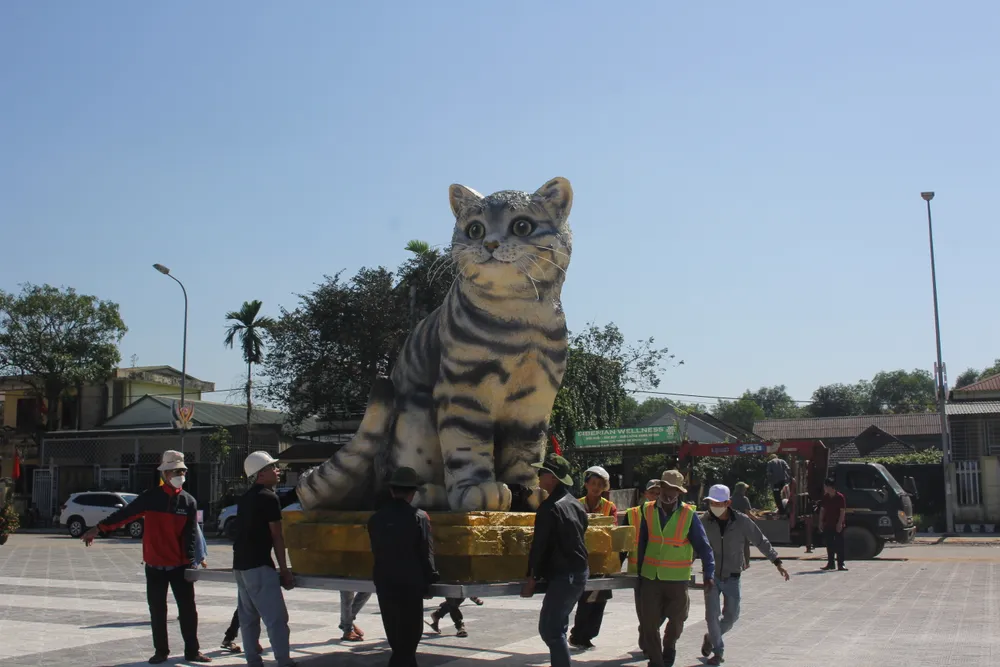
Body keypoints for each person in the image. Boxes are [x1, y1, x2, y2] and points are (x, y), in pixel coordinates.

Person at [81, 450, 212, 664]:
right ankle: (161, 651)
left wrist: (191, 563)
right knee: (157, 611)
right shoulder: (150, 498)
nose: (180, 474)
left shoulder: (189, 501)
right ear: (165, 474)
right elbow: (124, 515)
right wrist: (98, 528)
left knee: (188, 611)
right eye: (176, 471)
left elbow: (191, 536)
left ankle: (192, 651)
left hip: (180, 566)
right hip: (155, 566)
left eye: (183, 470)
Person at [700, 484, 790, 665]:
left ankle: (710, 638)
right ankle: (718, 652)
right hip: (712, 576)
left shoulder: (741, 521)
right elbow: (692, 542)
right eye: (711, 503)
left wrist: (776, 561)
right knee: (712, 616)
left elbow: (760, 540)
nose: (715, 507)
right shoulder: (704, 521)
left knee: (731, 617)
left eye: (718, 503)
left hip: (733, 575)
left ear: (728, 503)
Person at [635, 469, 715, 667]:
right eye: (666, 488)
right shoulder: (648, 510)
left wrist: (709, 573)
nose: (669, 493)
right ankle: (656, 661)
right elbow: (642, 542)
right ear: (660, 488)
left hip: (677, 578)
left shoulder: (689, 514)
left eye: (674, 490)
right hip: (651, 577)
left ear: (680, 492)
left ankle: (669, 646)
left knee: (678, 619)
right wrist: (638, 571)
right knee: (648, 623)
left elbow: (704, 547)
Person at [521, 453, 589, 667]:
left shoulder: (550, 508)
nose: (539, 477)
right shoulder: (575, 504)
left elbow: (539, 546)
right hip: (577, 572)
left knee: (551, 629)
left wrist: (532, 578)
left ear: (553, 477)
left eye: (542, 473)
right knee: (555, 627)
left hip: (565, 575)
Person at [368, 467, 439, 667]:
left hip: (385, 581)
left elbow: (376, 550)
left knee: (395, 634)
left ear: (392, 491)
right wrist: (431, 578)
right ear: (413, 492)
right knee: (410, 635)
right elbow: (426, 551)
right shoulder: (420, 517)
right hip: (411, 582)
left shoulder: (376, 519)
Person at [232, 451, 297, 667]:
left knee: (248, 619)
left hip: (241, 566)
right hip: (259, 566)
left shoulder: (246, 498)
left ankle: (253, 661)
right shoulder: (269, 498)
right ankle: (284, 662)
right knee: (276, 619)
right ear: (260, 474)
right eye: (272, 467)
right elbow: (277, 535)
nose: (277, 471)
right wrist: (284, 570)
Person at [569, 466, 618, 649]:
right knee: (586, 598)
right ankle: (578, 635)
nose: (596, 487)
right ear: (587, 484)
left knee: (600, 599)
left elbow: (611, 530)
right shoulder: (576, 503)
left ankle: (588, 635)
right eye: (593, 483)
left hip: (603, 559)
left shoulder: (609, 507)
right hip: (582, 558)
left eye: (600, 484)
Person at [621, 479, 661, 655]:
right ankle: (649, 642)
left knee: (665, 610)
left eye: (659, 493)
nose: (655, 496)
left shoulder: (666, 514)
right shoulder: (633, 514)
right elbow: (623, 544)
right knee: (644, 610)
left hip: (662, 571)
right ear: (646, 494)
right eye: (652, 493)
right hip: (639, 573)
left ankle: (646, 630)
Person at [819, 477, 848, 571]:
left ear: (830, 487)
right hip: (828, 524)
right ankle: (830, 563)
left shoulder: (840, 497)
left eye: (825, 486)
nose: (824, 488)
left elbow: (842, 511)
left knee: (839, 544)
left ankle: (841, 564)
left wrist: (839, 523)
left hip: (837, 524)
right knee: (829, 544)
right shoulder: (825, 497)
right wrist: (820, 522)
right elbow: (822, 510)